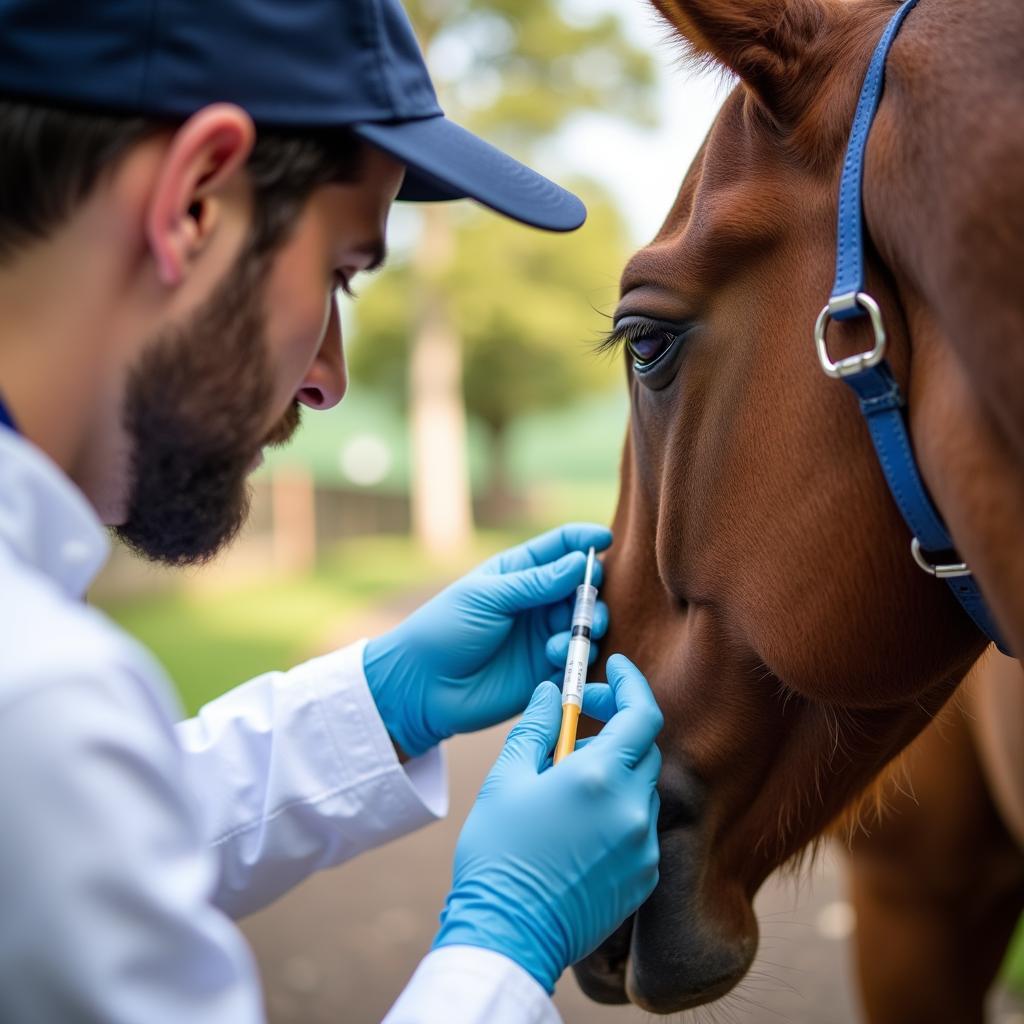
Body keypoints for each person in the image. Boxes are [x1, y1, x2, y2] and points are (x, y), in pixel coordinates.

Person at [0, 1, 664, 1022]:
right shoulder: (39, 700)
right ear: (193, 203)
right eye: (341, 273)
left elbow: (68, 843)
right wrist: (504, 938)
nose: (329, 381)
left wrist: (379, 701)